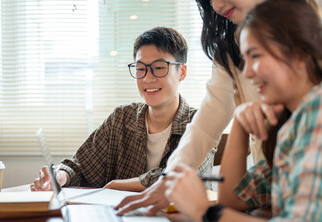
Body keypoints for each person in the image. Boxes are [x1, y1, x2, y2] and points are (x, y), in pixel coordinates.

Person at [115, 0, 322, 216]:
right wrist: (239, 119)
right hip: (273, 196)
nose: (217, 5)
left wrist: (206, 214)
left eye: (256, 56)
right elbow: (210, 120)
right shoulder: (287, 142)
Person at [30, 27, 214, 192]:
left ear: (182, 72)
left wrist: (115, 185)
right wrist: (60, 176)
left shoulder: (201, 123)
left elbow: (180, 180)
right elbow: (79, 166)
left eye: (158, 68)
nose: (148, 78)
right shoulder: (122, 117)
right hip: (120, 219)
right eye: (141, 69)